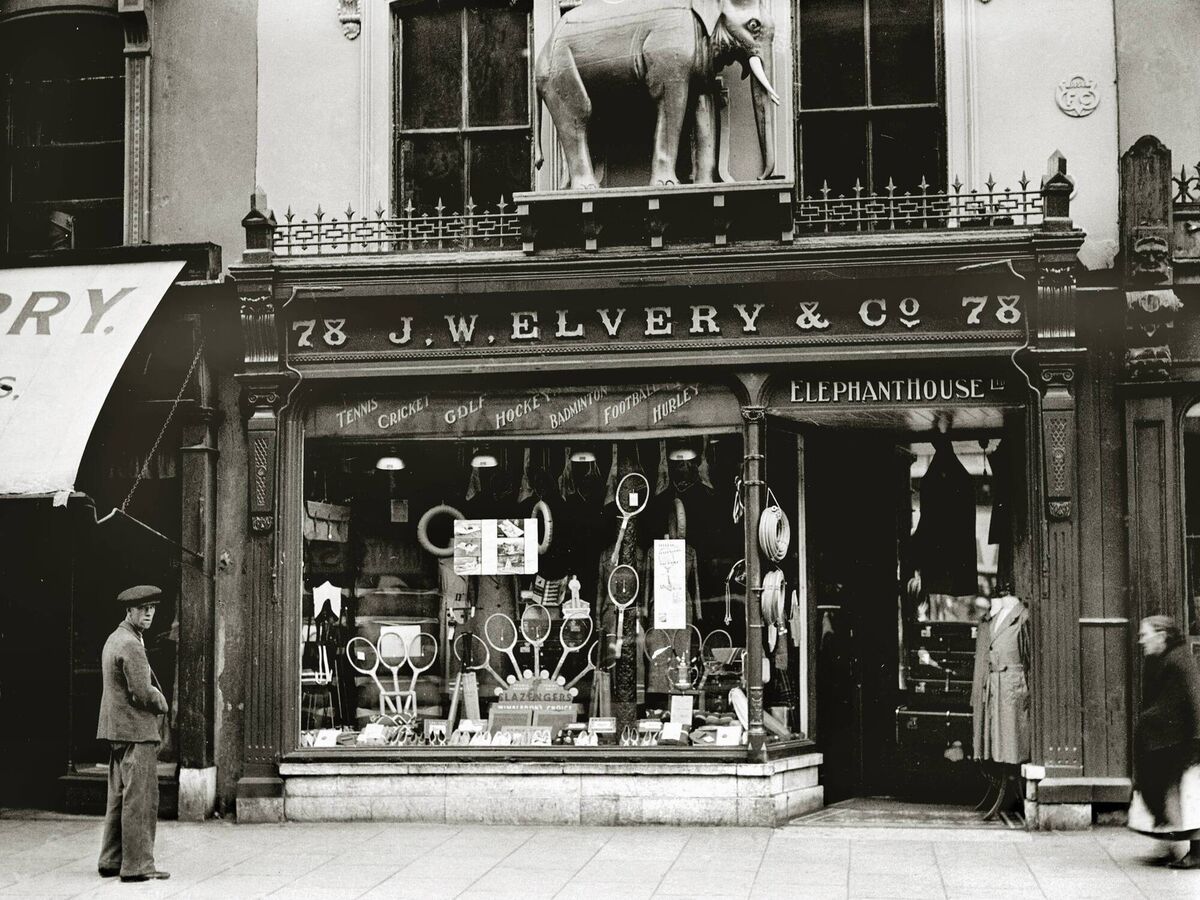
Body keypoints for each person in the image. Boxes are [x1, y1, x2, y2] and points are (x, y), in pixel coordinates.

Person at [96, 585, 170, 882]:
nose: (149, 613)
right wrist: (162, 702)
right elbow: (141, 692)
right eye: (143, 609)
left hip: (116, 730)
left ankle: (111, 860)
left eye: (152, 608)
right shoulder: (131, 644)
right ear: (130, 611)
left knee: (118, 797)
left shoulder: (115, 639)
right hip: (136, 731)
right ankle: (138, 865)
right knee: (140, 799)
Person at [1128, 615, 1200, 869]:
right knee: (1166, 791)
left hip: (1181, 741)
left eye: (1145, 635)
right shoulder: (1161, 659)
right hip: (1168, 739)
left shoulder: (1178, 660)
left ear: (1162, 636)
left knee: (1181, 795)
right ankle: (1171, 845)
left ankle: (1192, 852)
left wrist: (1195, 741)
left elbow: (1194, 701)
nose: (1141, 641)